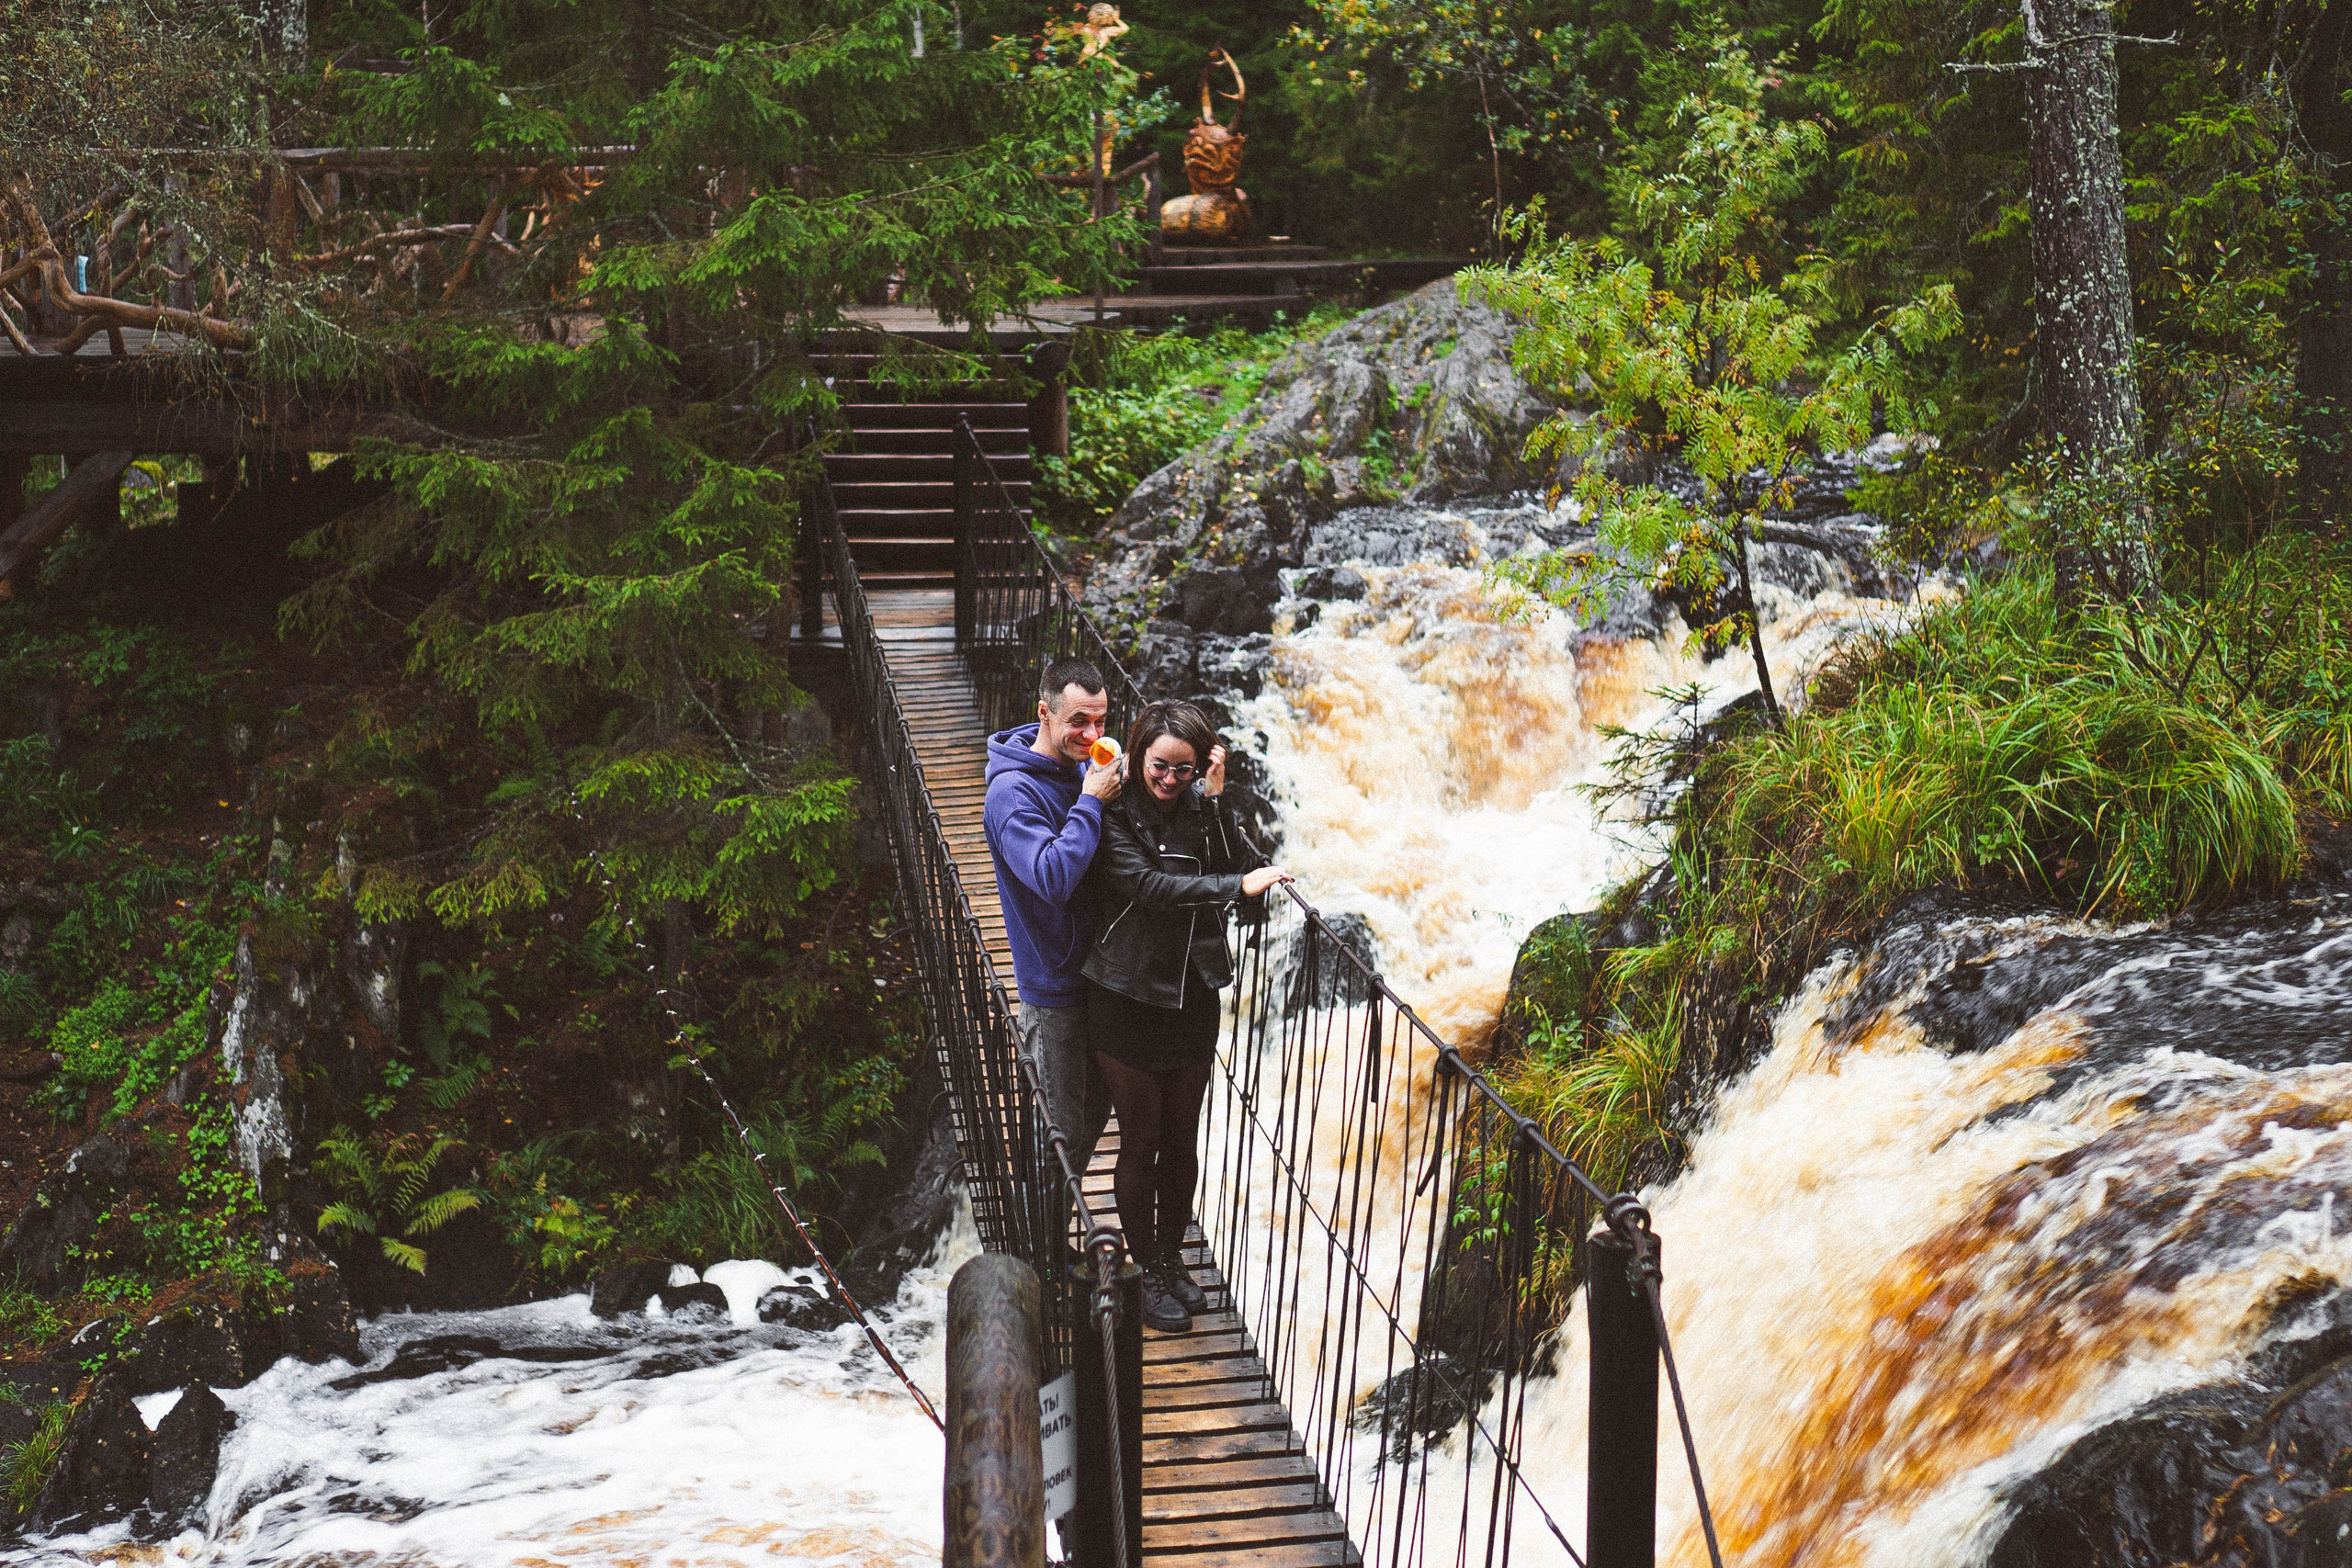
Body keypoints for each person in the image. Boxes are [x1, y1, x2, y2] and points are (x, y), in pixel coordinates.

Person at [1080, 700, 1290, 1333]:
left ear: (1202, 767)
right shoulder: (1113, 810)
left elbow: (1235, 859)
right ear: (1141, 754)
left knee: (1183, 1138)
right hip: (1126, 993)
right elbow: (1149, 887)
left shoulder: (1203, 807)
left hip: (1191, 993)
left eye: (1185, 770)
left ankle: (1170, 1256)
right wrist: (1235, 888)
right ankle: (1144, 1268)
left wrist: (1218, 801)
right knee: (1140, 1137)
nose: (1170, 780)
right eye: (1160, 767)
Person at [984, 657, 1122, 1218]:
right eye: (1078, 723)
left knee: (1089, 1123)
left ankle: (1048, 1241)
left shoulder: (1079, 766)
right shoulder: (1012, 795)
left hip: (1102, 976)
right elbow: (1052, 877)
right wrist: (1092, 800)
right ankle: (1039, 1264)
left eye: (1101, 722)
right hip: (1055, 988)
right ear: (1045, 713)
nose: (1091, 737)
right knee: (1058, 1142)